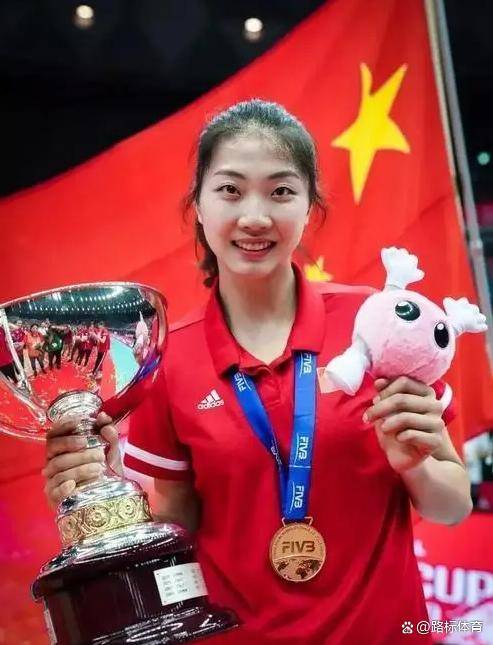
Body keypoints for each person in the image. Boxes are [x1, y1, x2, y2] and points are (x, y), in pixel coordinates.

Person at [42, 100, 473, 644]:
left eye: (281, 191)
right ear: (198, 205)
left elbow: (452, 506)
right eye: (230, 189)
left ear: (310, 206)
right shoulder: (166, 358)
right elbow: (180, 527)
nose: (254, 216)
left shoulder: (381, 321)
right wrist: (102, 498)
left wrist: (416, 465)